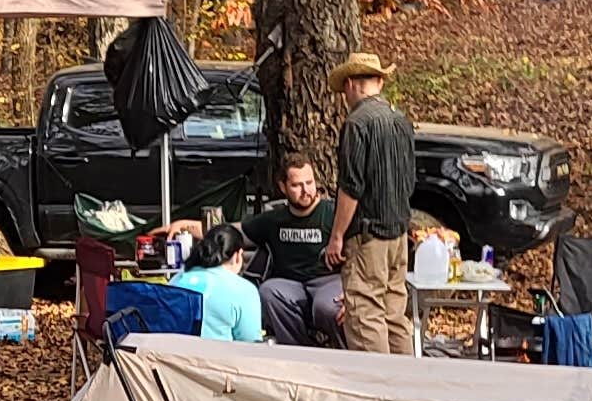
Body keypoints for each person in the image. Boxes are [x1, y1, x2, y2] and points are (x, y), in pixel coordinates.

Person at [327, 51, 416, 354]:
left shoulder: (356, 124)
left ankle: (376, 382)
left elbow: (351, 188)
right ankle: (407, 379)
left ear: (350, 84)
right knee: (394, 315)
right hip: (398, 234)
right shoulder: (401, 121)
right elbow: (409, 180)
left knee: (365, 314)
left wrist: (337, 236)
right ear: (379, 82)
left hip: (368, 238)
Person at [246, 155, 343, 346]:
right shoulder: (274, 219)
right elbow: (236, 232)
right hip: (291, 285)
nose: (306, 190)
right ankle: (298, 352)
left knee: (327, 307)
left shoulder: (333, 214)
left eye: (309, 183)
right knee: (269, 291)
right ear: (283, 187)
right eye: (297, 185)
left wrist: (353, 293)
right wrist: (188, 225)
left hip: (329, 281)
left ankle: (343, 355)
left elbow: (361, 253)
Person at [171, 221, 266, 342]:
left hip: (172, 352)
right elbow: (250, 343)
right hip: (217, 354)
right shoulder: (245, 290)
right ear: (238, 255)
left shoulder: (177, 279)